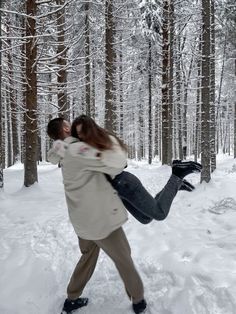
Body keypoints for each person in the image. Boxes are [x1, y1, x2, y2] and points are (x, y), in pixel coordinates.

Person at [47, 118, 147, 314]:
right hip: (100, 221)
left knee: (88, 256)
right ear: (67, 129)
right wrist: (109, 137)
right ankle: (139, 301)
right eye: (70, 124)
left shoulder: (60, 151)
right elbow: (116, 164)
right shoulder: (78, 150)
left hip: (82, 221)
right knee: (124, 258)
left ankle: (72, 298)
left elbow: (52, 156)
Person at [69, 115, 202, 224]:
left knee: (160, 214)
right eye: (79, 134)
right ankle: (175, 186)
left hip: (126, 184)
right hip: (118, 190)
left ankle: (177, 175)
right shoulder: (86, 146)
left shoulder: (104, 139)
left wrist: (98, 156)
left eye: (83, 132)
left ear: (91, 129)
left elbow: (120, 161)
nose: (81, 136)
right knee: (145, 218)